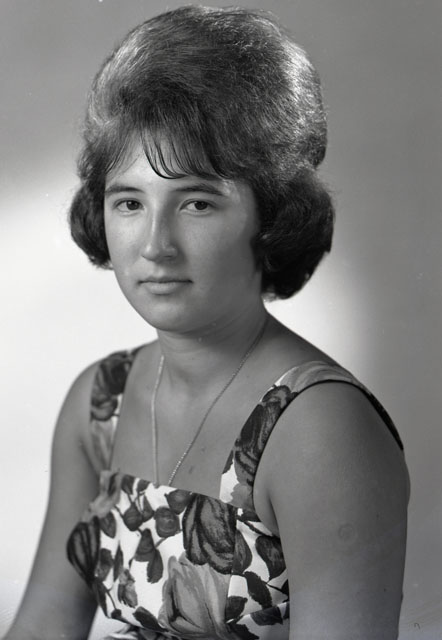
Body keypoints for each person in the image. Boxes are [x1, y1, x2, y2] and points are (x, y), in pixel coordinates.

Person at [4, 5, 409, 640]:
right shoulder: (100, 403)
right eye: (129, 202)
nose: (155, 245)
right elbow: (43, 627)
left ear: (273, 216)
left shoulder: (318, 428)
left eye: (197, 202)